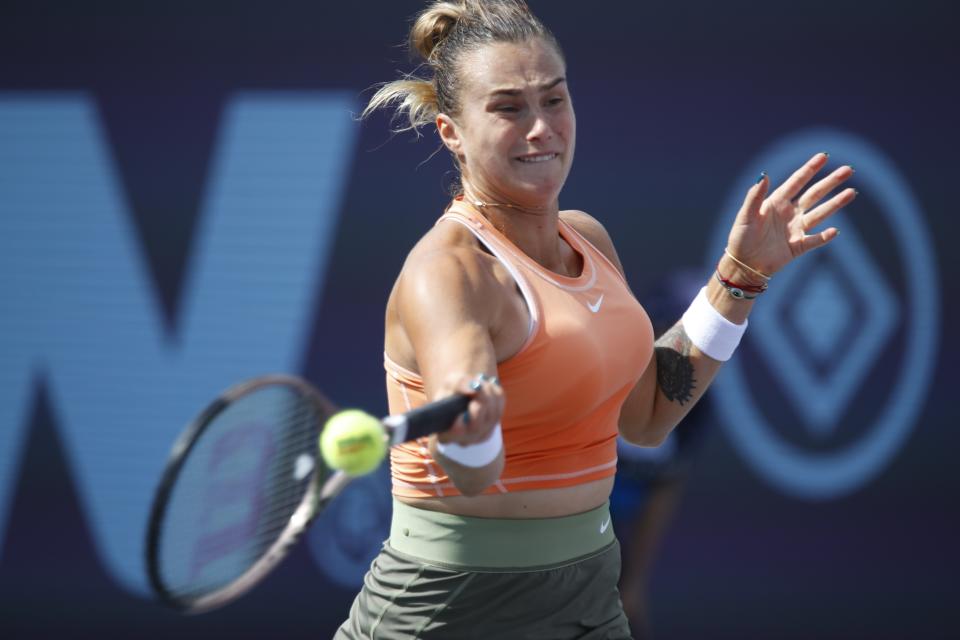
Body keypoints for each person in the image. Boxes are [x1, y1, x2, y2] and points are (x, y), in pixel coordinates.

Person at [336, 1, 856, 638]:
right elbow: (471, 473)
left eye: (553, 100)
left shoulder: (589, 240)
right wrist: (473, 431)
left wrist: (739, 277)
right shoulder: (448, 272)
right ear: (451, 132)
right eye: (507, 108)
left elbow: (645, 417)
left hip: (588, 599)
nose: (540, 129)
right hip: (450, 609)